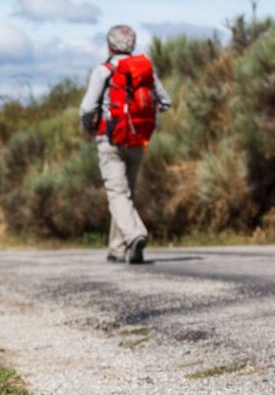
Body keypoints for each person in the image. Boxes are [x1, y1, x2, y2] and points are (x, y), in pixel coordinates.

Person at [79, 24, 172, 264]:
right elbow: (165, 101)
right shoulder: (144, 70)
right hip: (138, 139)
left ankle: (135, 235)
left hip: (110, 140)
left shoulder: (104, 71)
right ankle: (117, 248)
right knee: (126, 193)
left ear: (109, 45)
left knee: (117, 193)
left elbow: (87, 108)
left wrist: (89, 126)